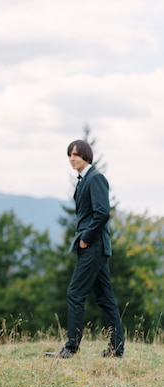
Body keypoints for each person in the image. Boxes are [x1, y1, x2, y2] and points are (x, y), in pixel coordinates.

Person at [46, 139, 124, 358]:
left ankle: (71, 348)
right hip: (92, 246)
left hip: (93, 245)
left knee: (75, 293)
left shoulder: (96, 178)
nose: (72, 158)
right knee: (105, 298)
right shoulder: (83, 180)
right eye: (70, 155)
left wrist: (86, 239)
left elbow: (102, 213)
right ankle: (116, 349)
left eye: (76, 155)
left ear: (86, 156)